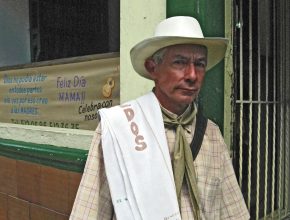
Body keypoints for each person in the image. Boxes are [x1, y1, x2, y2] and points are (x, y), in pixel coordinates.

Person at [70, 16, 250, 220]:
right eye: (180, 62)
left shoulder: (212, 135)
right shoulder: (119, 128)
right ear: (152, 68)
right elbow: (89, 211)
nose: (192, 75)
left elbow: (233, 212)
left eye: (200, 64)